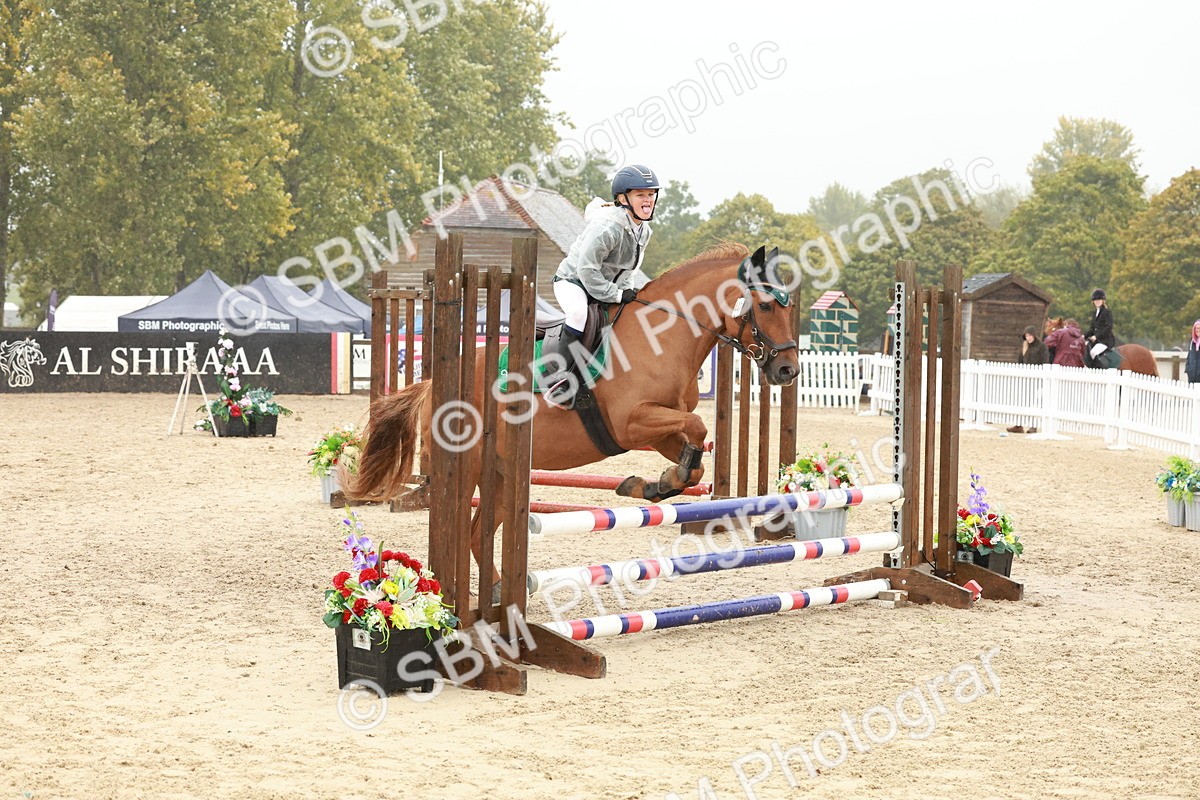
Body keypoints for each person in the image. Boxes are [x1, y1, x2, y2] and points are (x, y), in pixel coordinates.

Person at [542, 164, 660, 408]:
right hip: (572, 282)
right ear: (622, 198)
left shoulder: (643, 230)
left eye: (650, 194)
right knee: (578, 314)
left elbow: (629, 270)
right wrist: (615, 294)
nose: (647, 200)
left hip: (603, 286)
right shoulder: (608, 228)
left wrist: (627, 292)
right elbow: (586, 270)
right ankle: (559, 383)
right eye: (640, 195)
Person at [1084, 289, 1116, 368]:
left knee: (1094, 352)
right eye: (1095, 300)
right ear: (1093, 301)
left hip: (1106, 340)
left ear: (1103, 301)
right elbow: (1092, 329)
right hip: (1097, 341)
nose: (1097, 301)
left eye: (1099, 299)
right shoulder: (1095, 313)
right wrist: (1083, 337)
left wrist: (1096, 336)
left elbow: (1108, 327)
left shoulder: (1106, 312)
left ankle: (1099, 371)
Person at [1187, 319, 1200, 384]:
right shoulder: (1192, 342)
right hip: (1192, 376)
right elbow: (1189, 357)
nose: (1198, 330)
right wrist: (1188, 369)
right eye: (1196, 328)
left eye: (1199, 328)